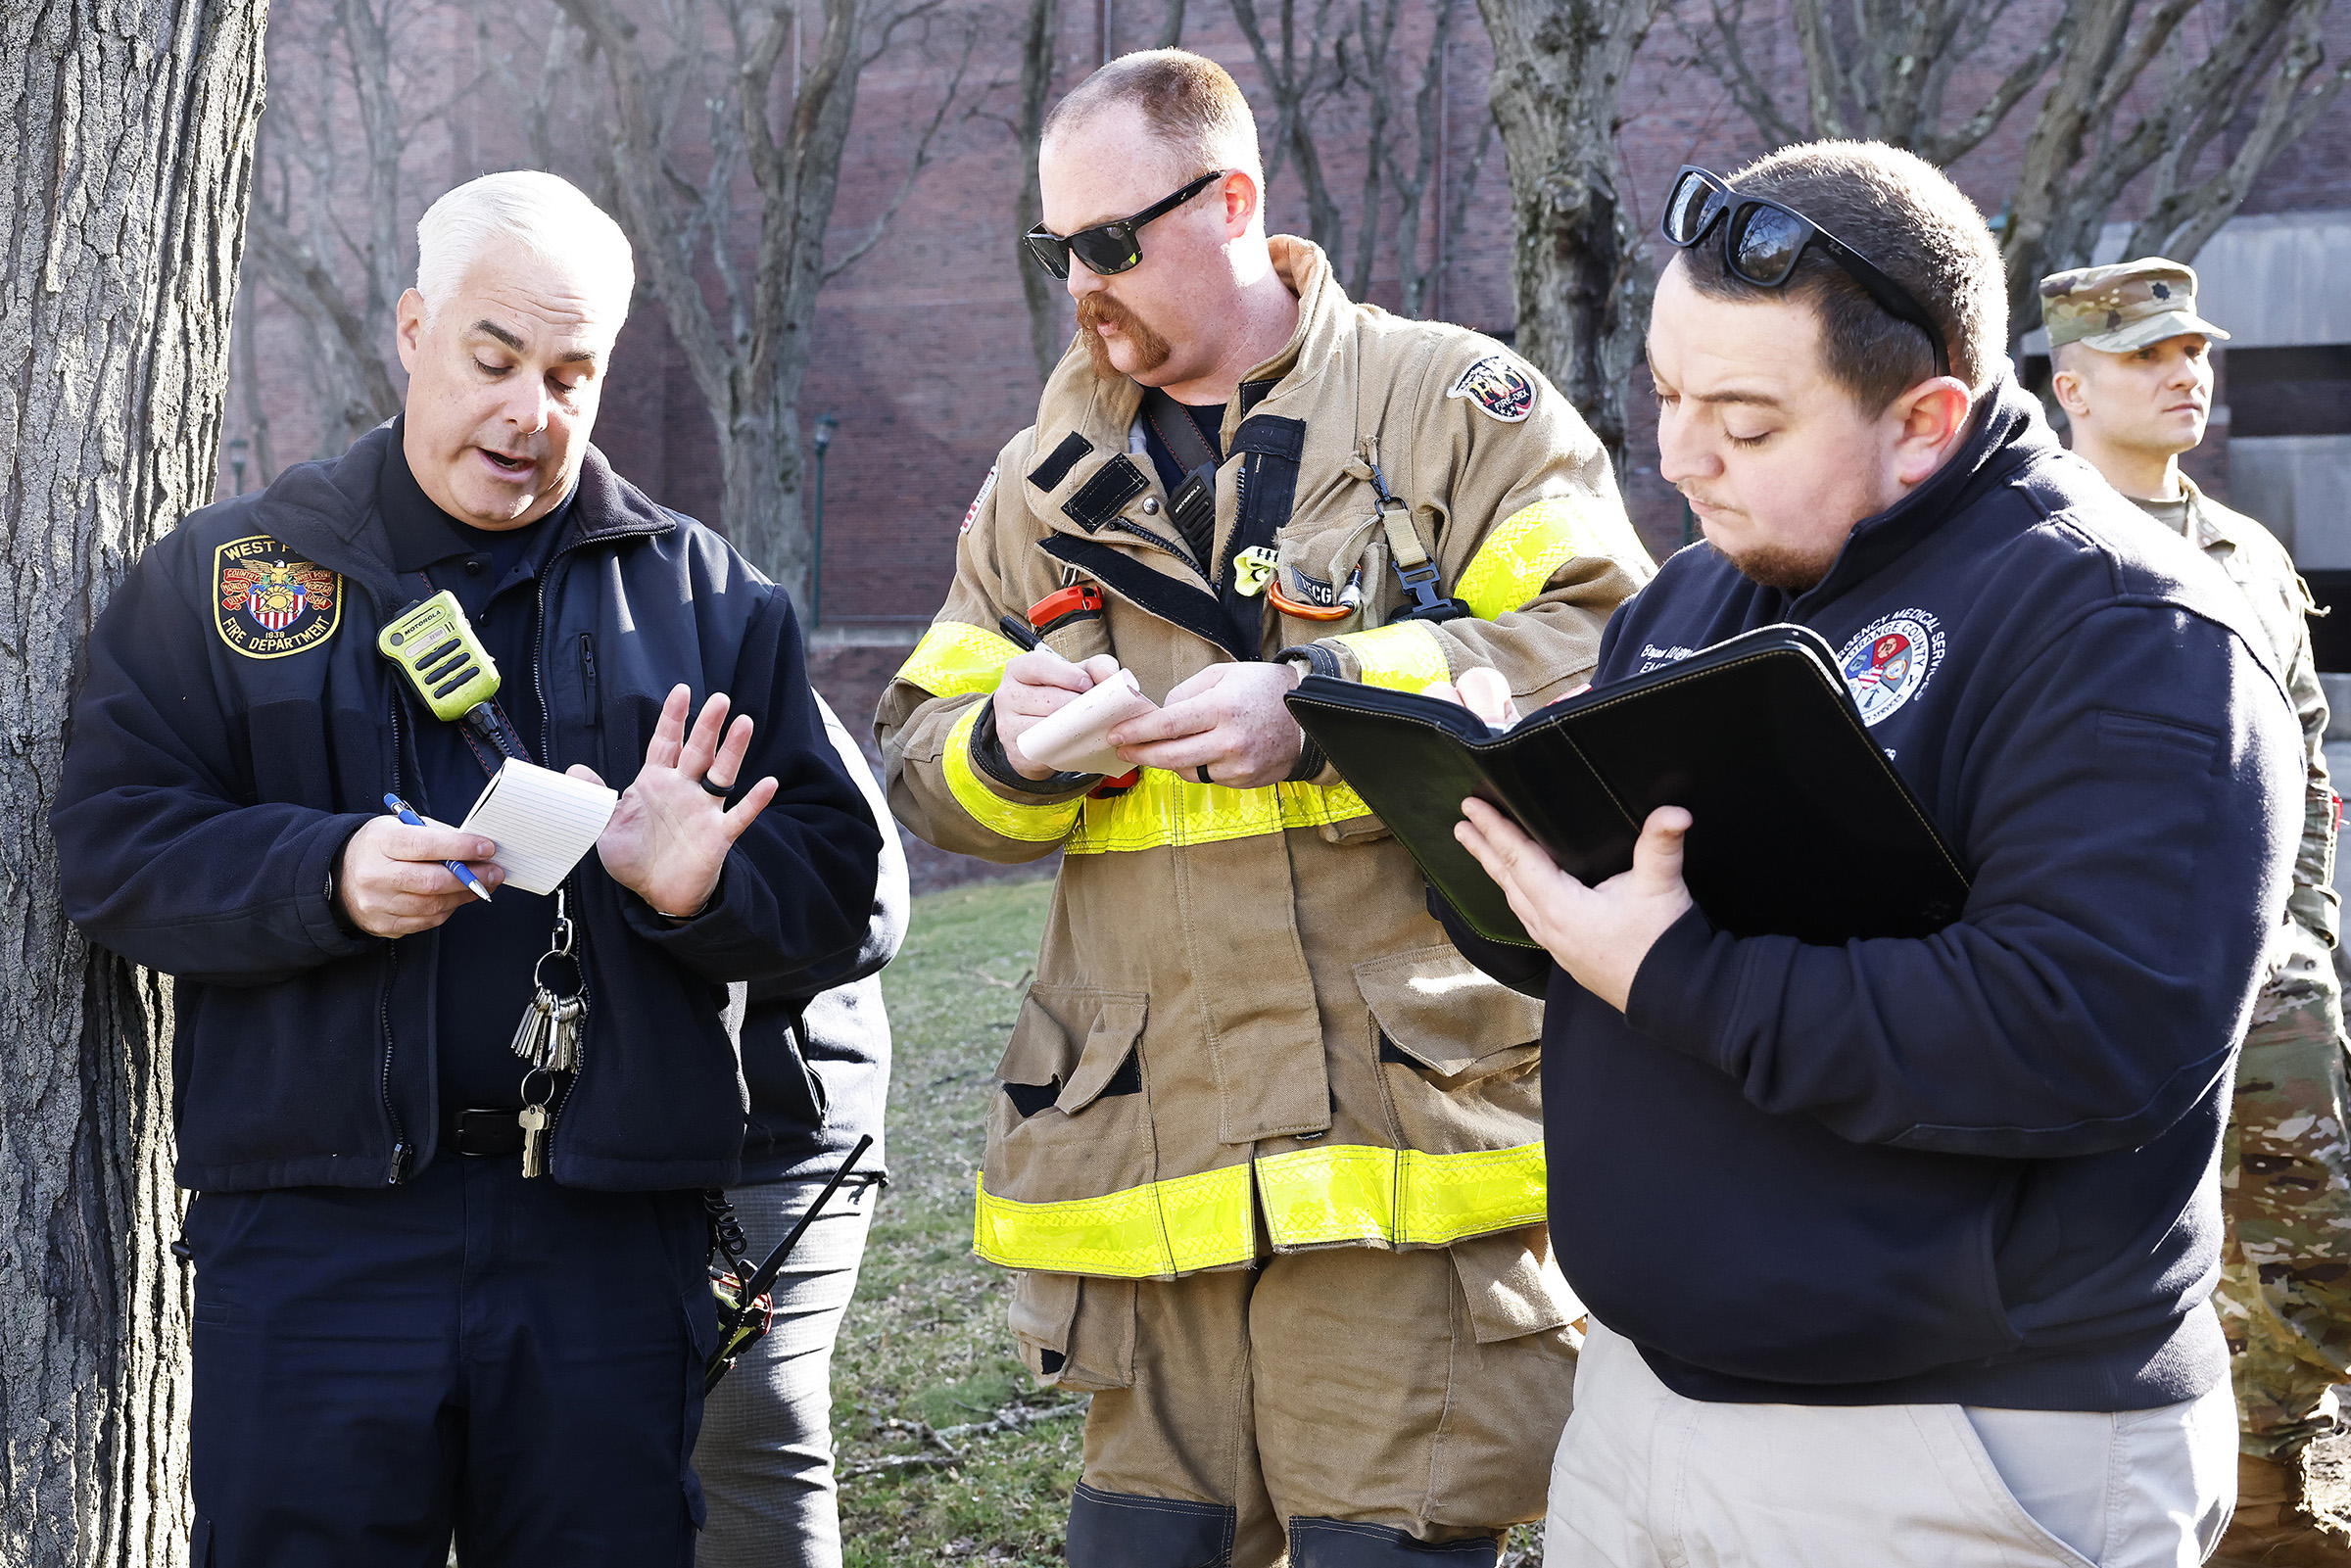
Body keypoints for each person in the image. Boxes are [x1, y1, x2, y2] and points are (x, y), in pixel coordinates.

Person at [1438, 142, 2301, 1567]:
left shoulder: (2131, 634)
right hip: (1644, 1408)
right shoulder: (1695, 601)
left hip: (1958, 1449)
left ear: (1926, 424)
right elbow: (1634, 935)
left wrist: (1683, 978)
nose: (1681, 456)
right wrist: (1493, 845)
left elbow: (2092, 1033)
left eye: (1747, 421)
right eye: (1665, 393)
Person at [877, 49, 1652, 1568]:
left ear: (1233, 202)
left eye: (1112, 244)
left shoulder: (1454, 409)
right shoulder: (1040, 480)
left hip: (1399, 1174)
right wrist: (1013, 751)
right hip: (1145, 1186)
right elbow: (917, 749)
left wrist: (1331, 700)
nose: (1082, 286)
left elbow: (1599, 646)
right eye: (1058, 251)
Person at [52, 170, 882, 1567]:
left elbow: (835, 898)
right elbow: (113, 845)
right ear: (413, 330)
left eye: (572, 376)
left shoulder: (713, 606)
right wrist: (326, 875)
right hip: (315, 1242)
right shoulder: (224, 577)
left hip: (609, 1251)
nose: (530, 413)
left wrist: (706, 892)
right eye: (496, 361)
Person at [2045, 257, 2351, 1566]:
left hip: (2264, 984)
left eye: (2197, 354)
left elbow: (2306, 761)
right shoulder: (2028, 547)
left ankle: (2268, 1495)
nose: (2187, 374)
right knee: (2108, 1258)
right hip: (2086, 977)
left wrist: (2313, 939)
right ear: (2069, 382)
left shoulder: (2246, 551)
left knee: (2303, 1233)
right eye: (2148, 356)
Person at [694, 694, 908, 1568]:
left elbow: (868, 902)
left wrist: (683, 900)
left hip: (776, 1126)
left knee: (743, 1427)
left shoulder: (726, 623)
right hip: (574, 1131)